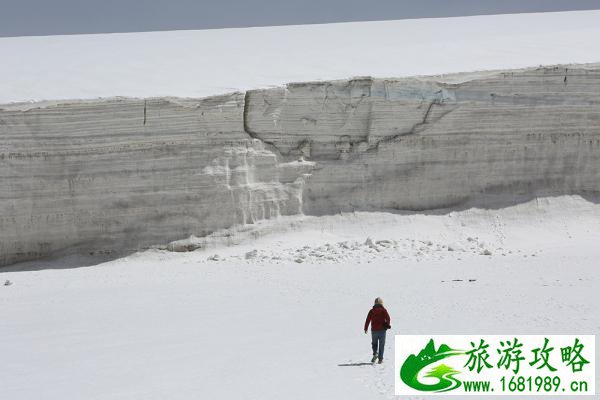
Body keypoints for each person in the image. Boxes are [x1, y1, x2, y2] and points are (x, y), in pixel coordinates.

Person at [364, 297, 391, 364]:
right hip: (382, 330)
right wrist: (387, 324)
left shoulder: (371, 311)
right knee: (382, 345)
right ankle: (380, 359)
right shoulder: (383, 310)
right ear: (381, 303)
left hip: (374, 330)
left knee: (374, 343)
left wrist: (366, 328)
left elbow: (368, 320)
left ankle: (375, 353)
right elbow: (388, 318)